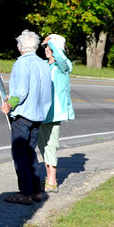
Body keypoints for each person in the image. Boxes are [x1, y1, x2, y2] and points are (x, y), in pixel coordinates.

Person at [0, 30, 52, 205]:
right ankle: (36, 190)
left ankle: (25, 193)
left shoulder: (22, 63)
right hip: (38, 114)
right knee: (31, 152)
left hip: (23, 114)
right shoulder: (43, 64)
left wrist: (9, 103)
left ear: (20, 46)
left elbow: (22, 91)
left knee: (20, 154)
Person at [39, 34, 74, 193]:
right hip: (41, 112)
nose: (47, 49)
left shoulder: (63, 65)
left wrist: (52, 42)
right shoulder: (45, 65)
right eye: (46, 47)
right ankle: (48, 177)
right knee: (42, 145)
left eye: (50, 47)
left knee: (51, 144)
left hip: (55, 113)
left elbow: (61, 58)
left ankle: (52, 180)